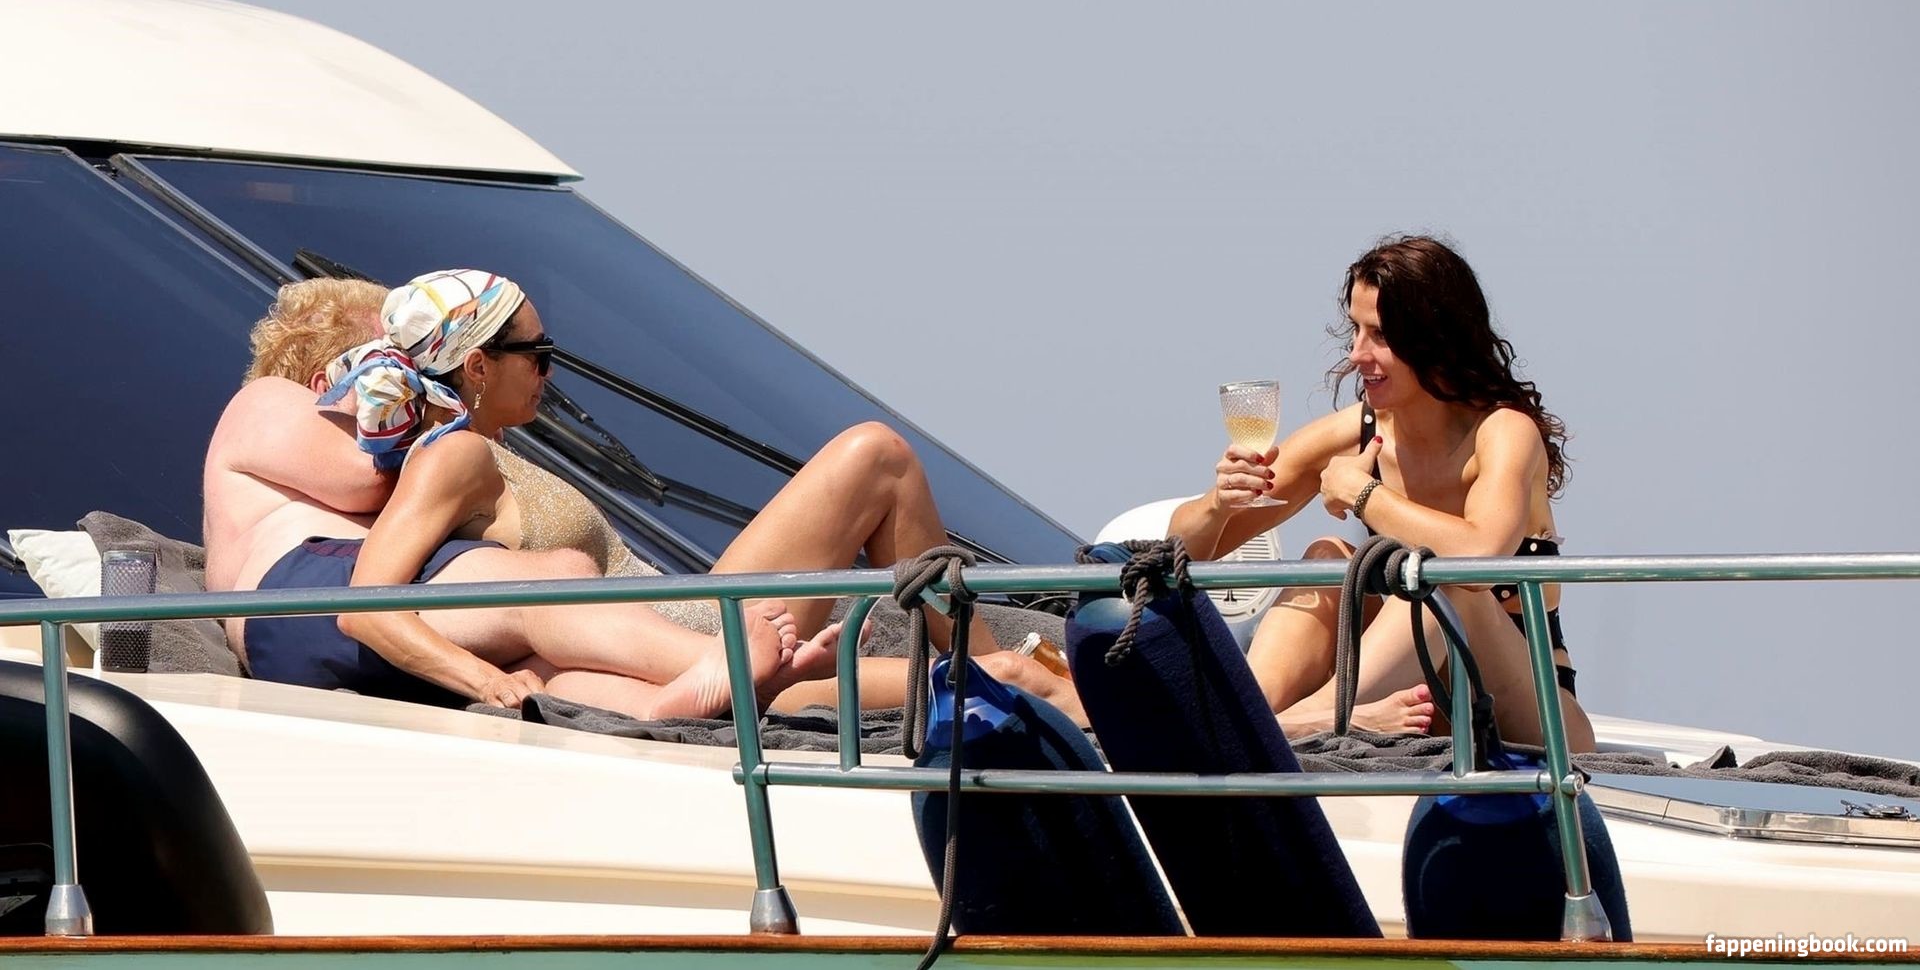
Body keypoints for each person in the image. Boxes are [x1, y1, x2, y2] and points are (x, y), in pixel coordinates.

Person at [206, 273, 1073, 719]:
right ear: (329, 372)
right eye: (384, 358)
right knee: (872, 457)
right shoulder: (320, 424)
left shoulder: (451, 455)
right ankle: (992, 674)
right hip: (654, 621)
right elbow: (366, 497)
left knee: (604, 644)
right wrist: (416, 409)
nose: (399, 373)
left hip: (642, 622)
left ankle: (991, 676)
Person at [1167, 235, 1596, 752]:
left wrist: (1364, 493)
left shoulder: (1503, 431)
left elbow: (1481, 556)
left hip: (1533, 714)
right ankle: (1253, 711)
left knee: (1444, 580)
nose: (1356, 354)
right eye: (1355, 330)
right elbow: (1179, 551)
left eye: (1380, 335)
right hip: (1404, 698)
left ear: (1436, 338)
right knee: (1327, 556)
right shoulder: (1359, 430)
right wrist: (1219, 505)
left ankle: (1290, 723)